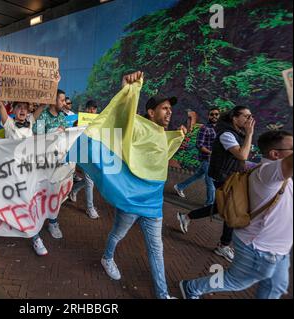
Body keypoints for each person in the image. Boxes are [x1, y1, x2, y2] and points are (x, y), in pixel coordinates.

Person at [100, 71, 186, 299]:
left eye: (170, 108)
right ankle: (107, 257)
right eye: (164, 108)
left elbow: (161, 153)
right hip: (132, 199)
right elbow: (120, 119)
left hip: (153, 203)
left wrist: (178, 136)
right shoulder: (138, 126)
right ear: (151, 112)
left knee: (157, 250)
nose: (169, 111)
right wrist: (127, 90)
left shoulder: (161, 133)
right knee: (117, 235)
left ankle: (162, 294)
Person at [180, 130, 293, 299]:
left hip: (279, 249)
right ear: (275, 154)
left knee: (276, 286)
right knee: (236, 280)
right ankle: (191, 287)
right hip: (259, 249)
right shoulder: (268, 173)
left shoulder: (280, 176)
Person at [176, 106, 255, 262]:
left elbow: (241, 157)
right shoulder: (226, 134)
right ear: (234, 118)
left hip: (230, 175)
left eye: (250, 116)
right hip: (224, 175)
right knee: (232, 210)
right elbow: (242, 154)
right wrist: (250, 134)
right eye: (246, 116)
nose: (249, 120)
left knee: (222, 207)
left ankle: (186, 216)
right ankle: (224, 245)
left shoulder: (237, 134)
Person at [0, 100, 48, 255]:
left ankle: (34, 236)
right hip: (11, 172)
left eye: (26, 108)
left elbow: (42, 105)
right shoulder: (9, 124)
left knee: (29, 203)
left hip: (28, 171)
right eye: (19, 107)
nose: (23, 110)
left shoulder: (31, 121)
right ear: (13, 110)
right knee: (14, 202)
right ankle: (28, 234)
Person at [32, 89, 69, 239]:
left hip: (58, 163)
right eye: (61, 100)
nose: (64, 103)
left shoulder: (62, 116)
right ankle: (37, 222)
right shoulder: (43, 116)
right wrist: (53, 133)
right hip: (43, 163)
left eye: (64, 100)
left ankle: (53, 222)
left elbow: (66, 136)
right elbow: (38, 138)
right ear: (53, 101)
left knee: (55, 193)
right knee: (41, 192)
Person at [174, 107, 219, 206]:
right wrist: (211, 153)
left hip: (214, 160)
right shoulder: (204, 128)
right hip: (207, 159)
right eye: (212, 114)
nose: (214, 116)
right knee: (210, 182)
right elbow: (199, 145)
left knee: (198, 175)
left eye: (216, 114)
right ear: (208, 116)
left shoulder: (218, 129)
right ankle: (209, 204)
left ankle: (179, 186)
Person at [69, 100, 99, 219]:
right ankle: (90, 208)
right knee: (90, 181)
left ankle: (74, 190)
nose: (92, 110)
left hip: (94, 153)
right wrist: (76, 125)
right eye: (90, 108)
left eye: (94, 108)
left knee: (92, 180)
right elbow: (72, 132)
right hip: (82, 153)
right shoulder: (79, 120)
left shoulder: (98, 120)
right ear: (86, 109)